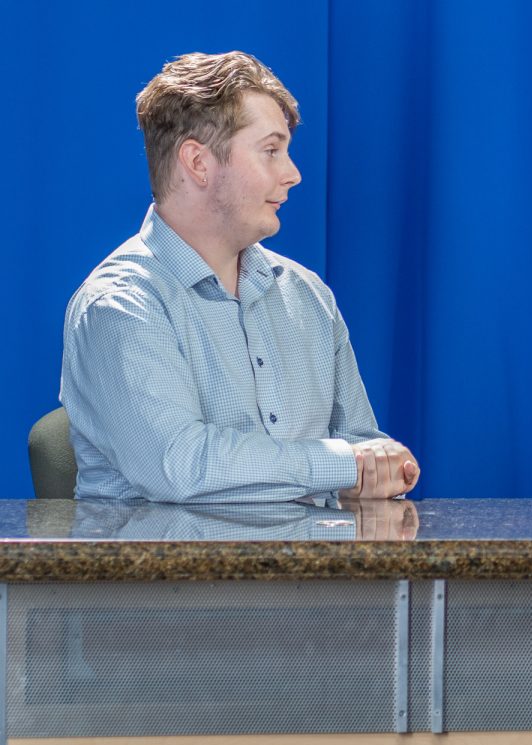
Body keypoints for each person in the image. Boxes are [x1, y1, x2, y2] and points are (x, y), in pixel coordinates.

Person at [61, 51, 418, 502]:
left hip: (311, 570)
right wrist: (342, 464)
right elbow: (182, 466)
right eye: (271, 150)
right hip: (172, 574)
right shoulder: (118, 305)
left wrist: (374, 471)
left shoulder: (309, 296)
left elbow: (367, 460)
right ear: (199, 162)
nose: (293, 174)